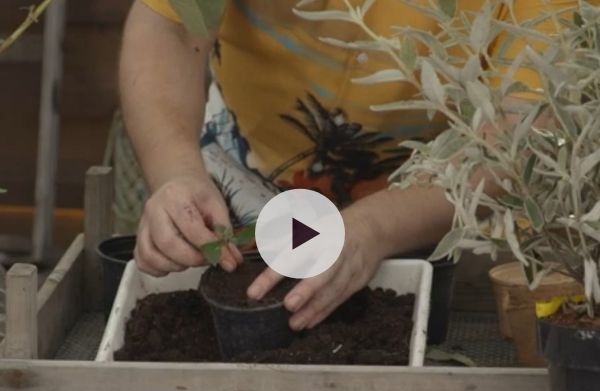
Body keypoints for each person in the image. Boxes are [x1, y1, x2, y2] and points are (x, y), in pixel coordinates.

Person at [119, 0, 577, 331]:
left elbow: (522, 128)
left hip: (444, 208)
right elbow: (171, 28)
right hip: (238, 172)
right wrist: (177, 173)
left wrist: (376, 228)